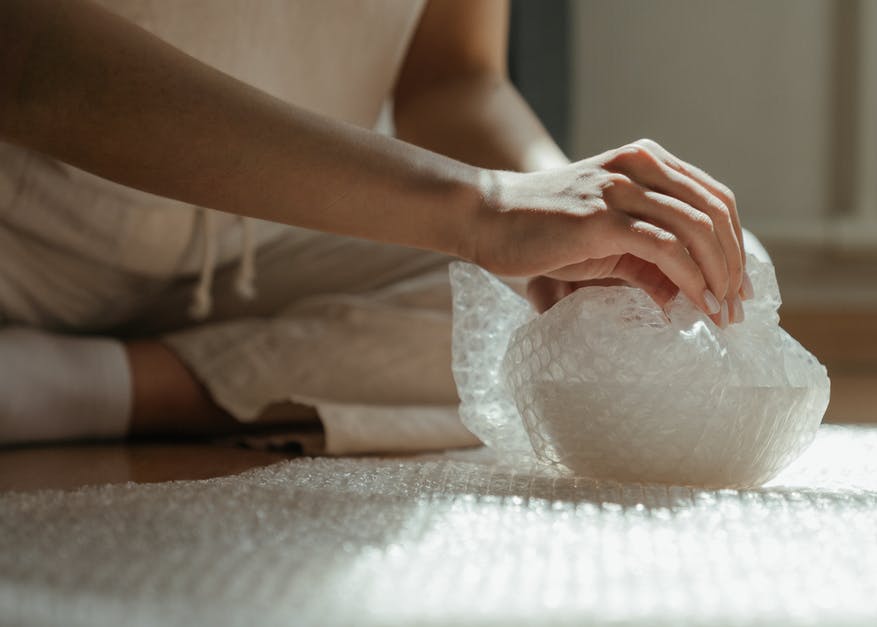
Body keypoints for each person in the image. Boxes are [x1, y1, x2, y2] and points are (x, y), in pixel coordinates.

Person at [0, 0, 758, 449]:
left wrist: (574, 219)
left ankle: (87, 386)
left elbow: (450, 80)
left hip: (269, 233)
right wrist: (485, 205)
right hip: (21, 230)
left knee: (706, 270)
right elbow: (23, 54)